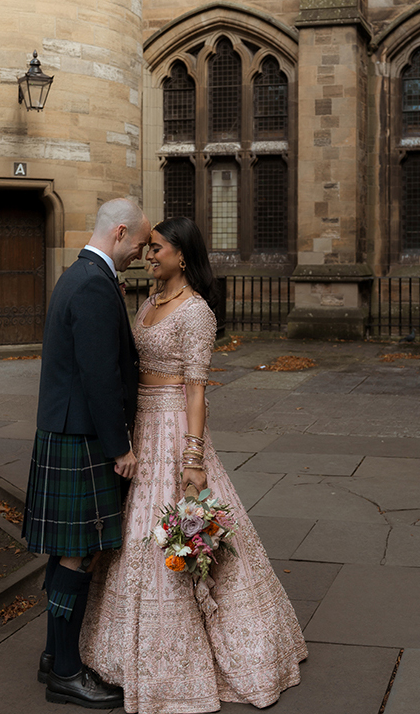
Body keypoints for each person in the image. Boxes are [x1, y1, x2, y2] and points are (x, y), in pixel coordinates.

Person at [80, 217, 307, 713]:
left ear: (182, 256)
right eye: (149, 247)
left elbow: (197, 390)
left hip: (175, 428)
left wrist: (193, 458)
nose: (149, 255)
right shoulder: (148, 303)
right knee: (136, 537)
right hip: (141, 425)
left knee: (181, 536)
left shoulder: (196, 312)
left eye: (157, 248)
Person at [23, 197, 151, 708]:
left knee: (67, 551)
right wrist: (120, 446)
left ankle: (55, 656)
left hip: (65, 429)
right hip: (82, 435)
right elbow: (100, 376)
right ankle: (68, 674)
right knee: (78, 553)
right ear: (120, 233)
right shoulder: (95, 285)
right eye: (140, 243)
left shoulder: (75, 274)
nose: (141, 253)